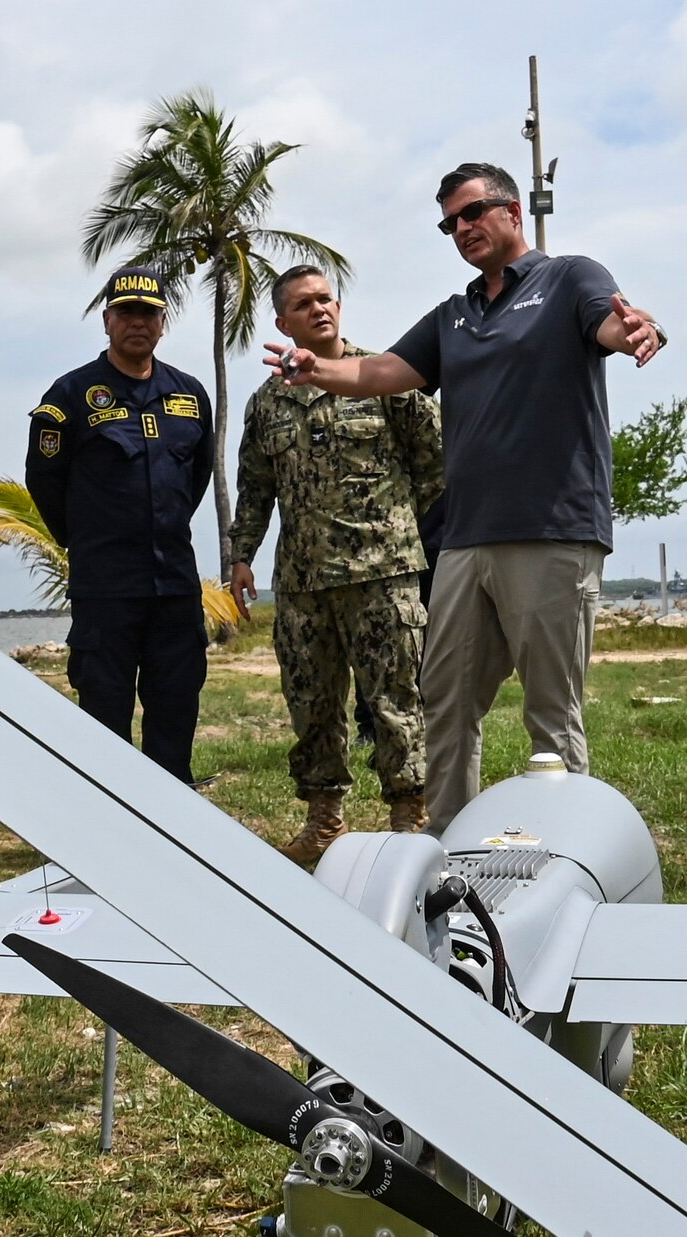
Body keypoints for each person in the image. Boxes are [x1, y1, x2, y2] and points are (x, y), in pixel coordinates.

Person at [263, 162, 665, 830]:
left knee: (550, 710)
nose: (462, 228)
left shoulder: (570, 279)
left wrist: (636, 332)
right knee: (442, 699)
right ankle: (447, 850)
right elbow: (386, 370)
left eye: (473, 212)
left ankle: (564, 848)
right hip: (465, 540)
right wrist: (320, 369)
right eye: (450, 222)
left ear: (512, 210)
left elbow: (612, 324)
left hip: (551, 531)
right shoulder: (455, 315)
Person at [228, 265, 442, 862]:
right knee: (312, 703)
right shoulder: (268, 402)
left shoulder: (388, 378)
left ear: (339, 308)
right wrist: (241, 555)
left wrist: (391, 524)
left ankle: (409, 820)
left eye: (326, 299)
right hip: (301, 581)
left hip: (382, 573)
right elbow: (255, 486)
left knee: (395, 701)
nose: (319, 309)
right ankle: (324, 822)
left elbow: (434, 463)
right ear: (282, 323)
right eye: (303, 304)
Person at [25, 266, 213, 785]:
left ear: (162, 322)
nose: (138, 322)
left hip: (174, 585)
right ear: (107, 320)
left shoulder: (190, 394)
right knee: (104, 712)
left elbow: (196, 478)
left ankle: (174, 817)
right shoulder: (70, 396)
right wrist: (87, 541)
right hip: (106, 587)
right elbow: (45, 483)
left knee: (175, 706)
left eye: (148, 313)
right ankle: (108, 824)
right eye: (126, 312)